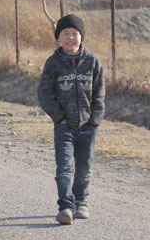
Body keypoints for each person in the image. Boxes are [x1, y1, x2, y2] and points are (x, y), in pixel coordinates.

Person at [37, 14, 105, 225]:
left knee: (84, 168)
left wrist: (94, 119)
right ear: (58, 39)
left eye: (74, 34)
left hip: (87, 125)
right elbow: (44, 93)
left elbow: (100, 93)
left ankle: (81, 201)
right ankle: (66, 206)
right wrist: (60, 117)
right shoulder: (53, 63)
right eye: (65, 34)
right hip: (64, 126)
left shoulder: (92, 62)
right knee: (65, 167)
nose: (70, 38)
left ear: (81, 38)